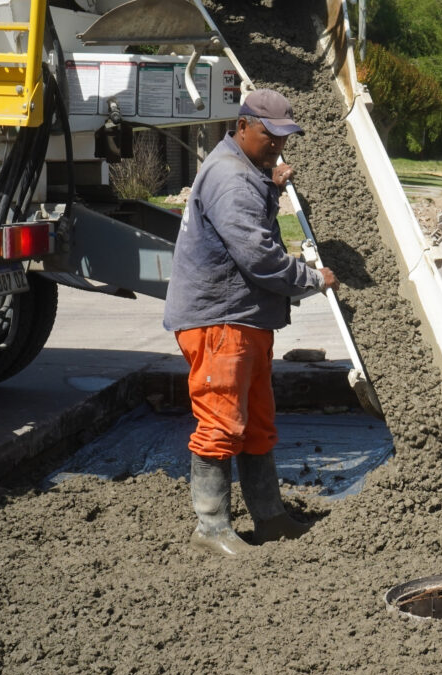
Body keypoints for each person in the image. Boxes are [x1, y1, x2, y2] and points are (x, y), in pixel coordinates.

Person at [163, 88, 338, 557]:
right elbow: (258, 256)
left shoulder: (245, 171)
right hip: (220, 320)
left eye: (284, 138)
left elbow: (248, 226)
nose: (277, 146)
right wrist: (313, 279)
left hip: (243, 319)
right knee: (221, 422)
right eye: (269, 136)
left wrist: (272, 184)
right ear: (243, 126)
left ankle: (270, 519)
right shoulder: (231, 178)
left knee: (256, 423)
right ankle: (211, 530)